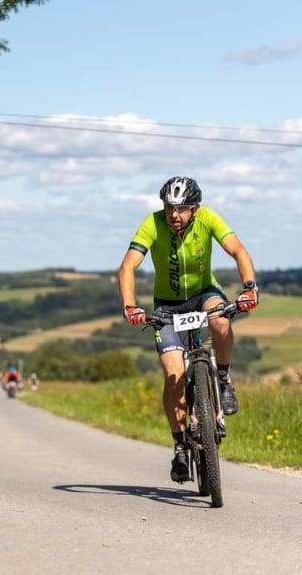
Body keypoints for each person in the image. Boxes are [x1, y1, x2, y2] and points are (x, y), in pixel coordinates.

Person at [117, 177, 259, 484]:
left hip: (203, 294)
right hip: (167, 307)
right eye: (170, 208)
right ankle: (180, 444)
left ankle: (222, 378)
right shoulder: (153, 223)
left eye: (181, 209)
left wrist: (249, 288)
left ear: (195, 209)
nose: (174, 215)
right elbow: (128, 266)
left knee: (221, 320)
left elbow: (238, 250)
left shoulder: (208, 218)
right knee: (173, 377)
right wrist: (131, 306)